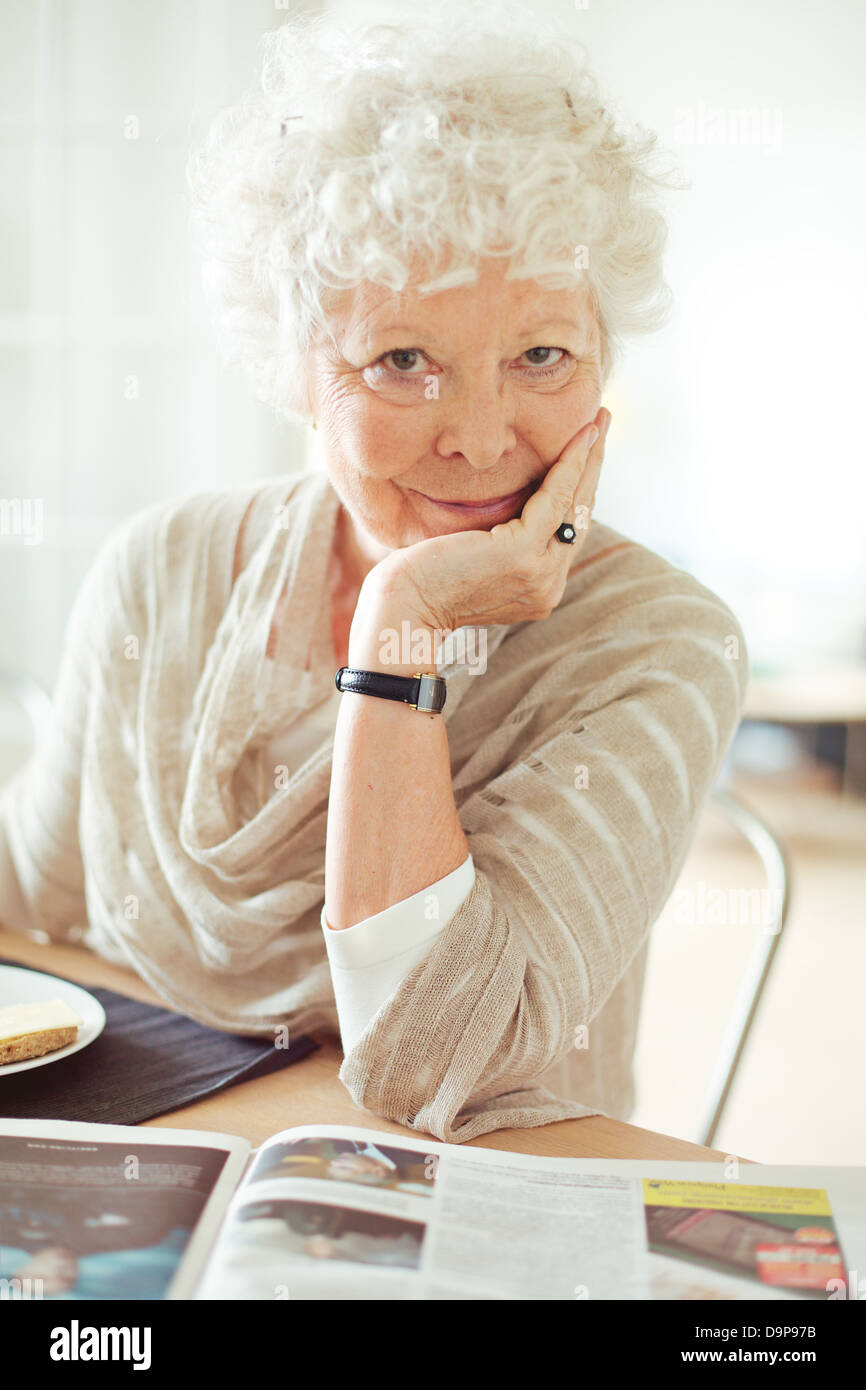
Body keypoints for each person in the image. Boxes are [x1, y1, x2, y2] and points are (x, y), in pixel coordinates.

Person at [0, 12, 747, 1143]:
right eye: (405, 360)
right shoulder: (160, 569)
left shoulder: (660, 643)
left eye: (540, 354)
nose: (484, 438)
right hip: (169, 1162)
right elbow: (30, 891)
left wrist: (404, 628)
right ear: (295, 367)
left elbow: (432, 1063)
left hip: (477, 1208)